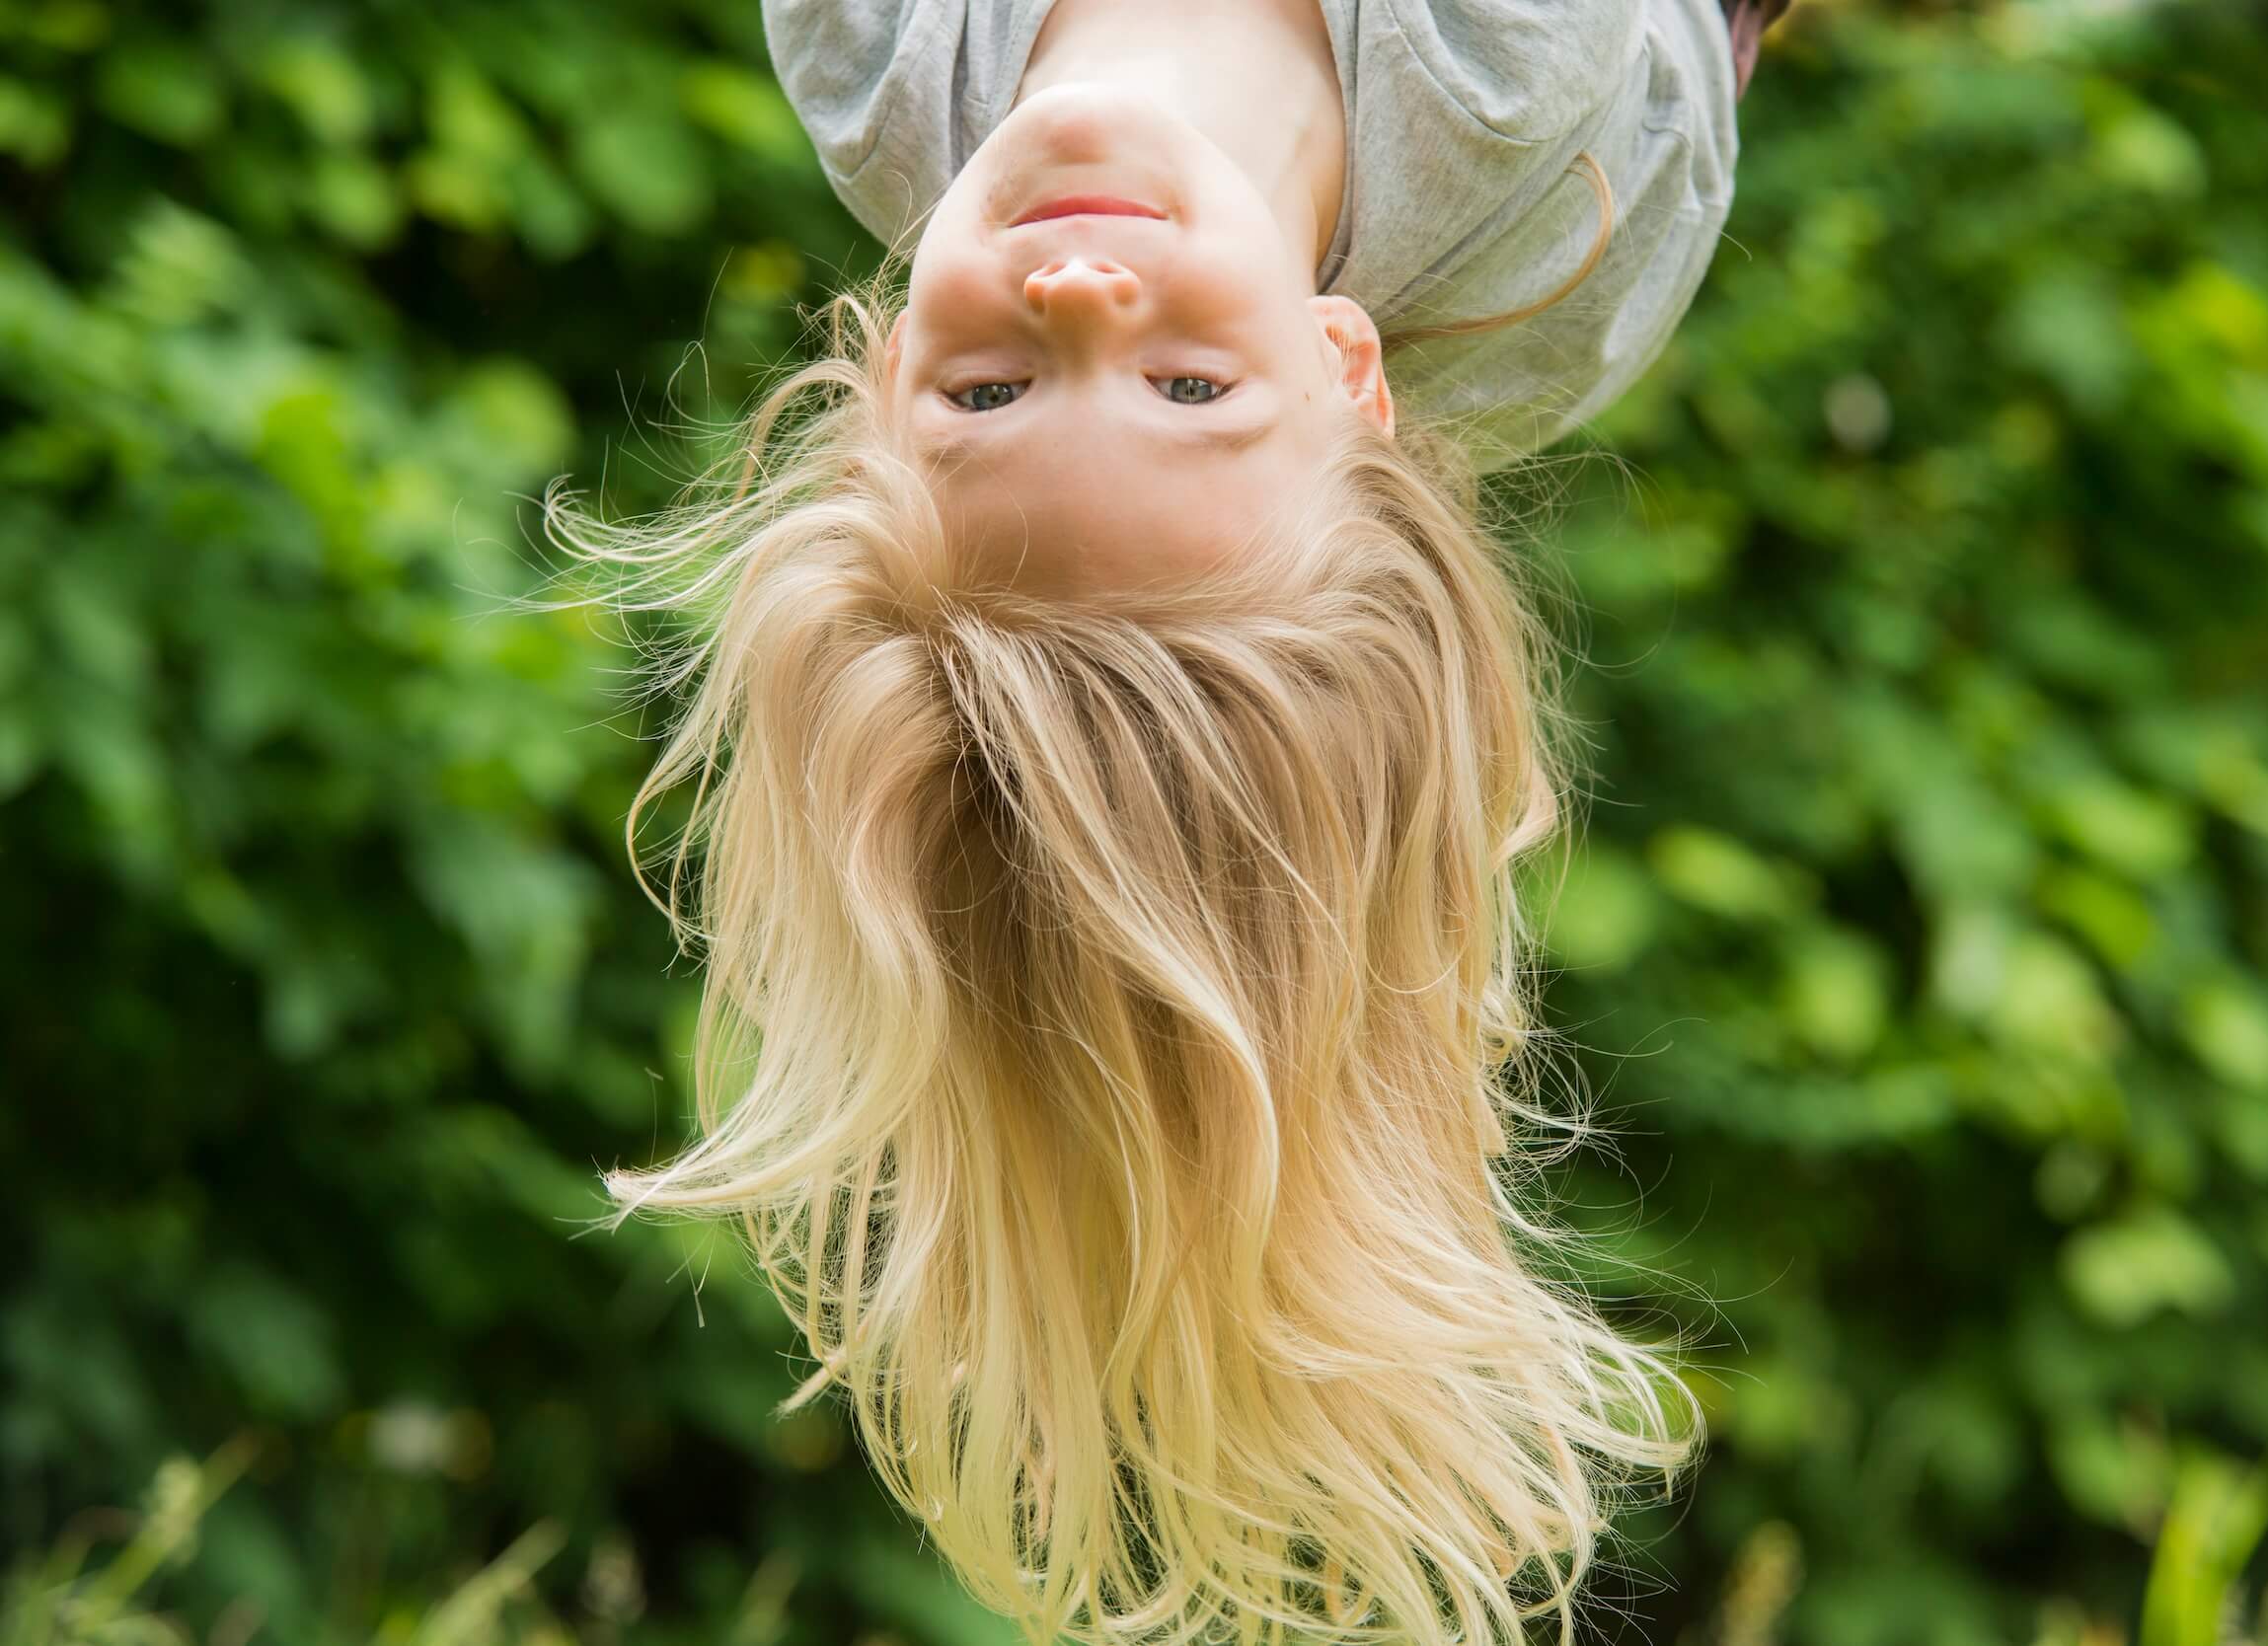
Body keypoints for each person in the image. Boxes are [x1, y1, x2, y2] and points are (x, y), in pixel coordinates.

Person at [551, 2, 1786, 1643]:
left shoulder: (873, 53)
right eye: (1190, 388)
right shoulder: (1504, 70)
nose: (1075, 295)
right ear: (1347, 374)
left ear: (889, 376)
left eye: (989, 393)